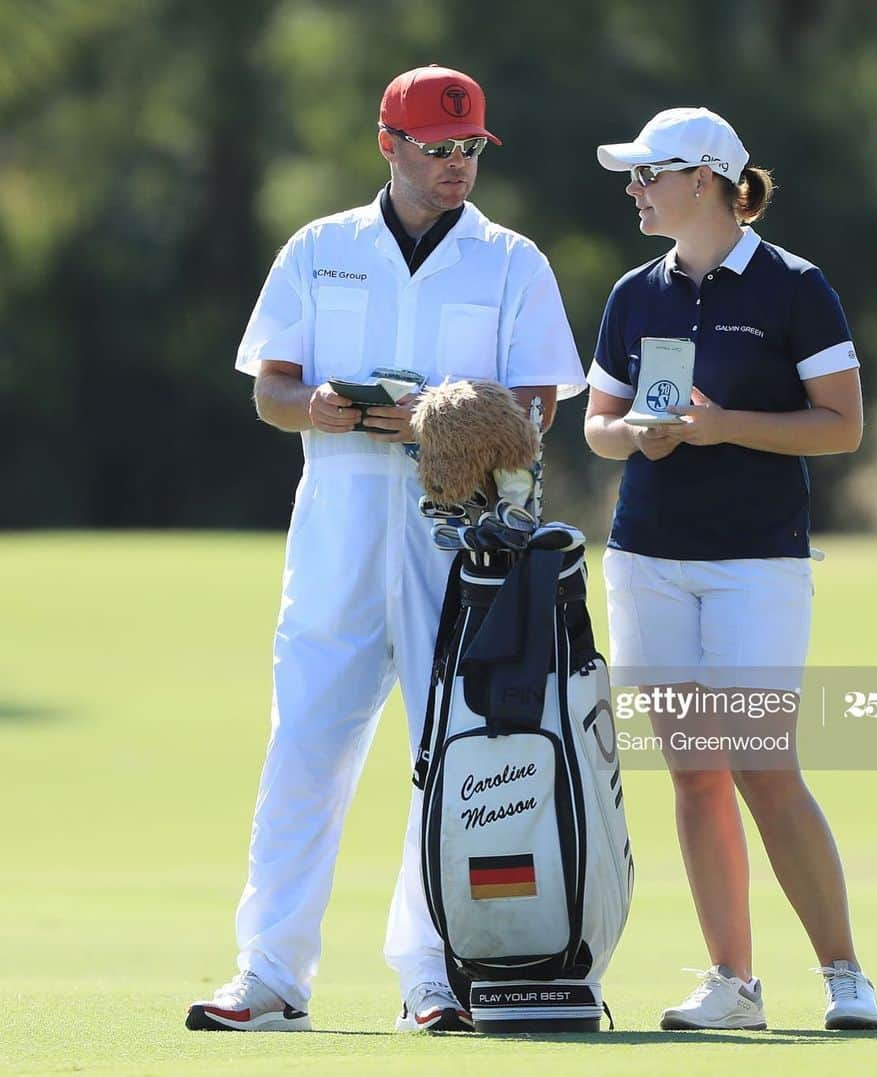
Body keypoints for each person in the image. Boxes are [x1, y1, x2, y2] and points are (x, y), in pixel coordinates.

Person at [186, 65, 584, 1034]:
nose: (458, 166)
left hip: (459, 529)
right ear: (389, 144)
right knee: (305, 749)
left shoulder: (512, 261)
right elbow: (272, 390)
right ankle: (271, 975)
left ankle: (435, 978)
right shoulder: (322, 248)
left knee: (447, 753)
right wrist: (316, 407)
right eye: (439, 148)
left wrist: (463, 419)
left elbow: (540, 404)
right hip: (338, 522)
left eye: (471, 149)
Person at [584, 107, 877, 1031]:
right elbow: (598, 426)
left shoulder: (796, 287)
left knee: (762, 761)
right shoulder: (637, 292)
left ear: (705, 179)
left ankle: (844, 974)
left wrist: (722, 428)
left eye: (648, 174)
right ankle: (733, 984)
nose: (633, 189)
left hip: (756, 562)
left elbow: (842, 424)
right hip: (647, 560)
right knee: (693, 770)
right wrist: (639, 436)